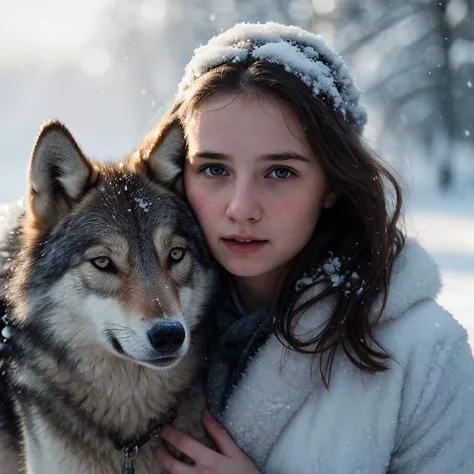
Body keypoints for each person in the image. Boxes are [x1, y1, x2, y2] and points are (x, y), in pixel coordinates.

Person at [154, 22, 474, 473]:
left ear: (331, 184)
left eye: (280, 172)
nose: (242, 208)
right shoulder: (136, 333)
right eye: (213, 170)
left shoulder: (425, 354)